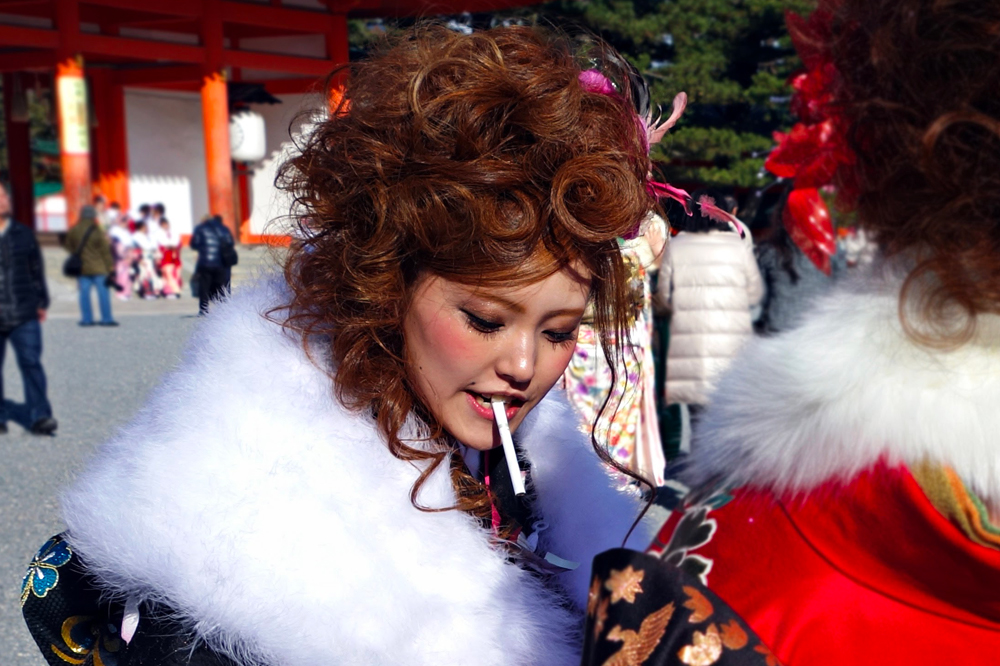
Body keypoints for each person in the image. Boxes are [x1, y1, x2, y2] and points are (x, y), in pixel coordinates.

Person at [22, 25, 691, 665]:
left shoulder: (521, 451)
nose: (524, 367)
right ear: (388, 285)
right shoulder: (240, 519)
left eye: (559, 332)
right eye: (485, 321)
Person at [646, 0, 1000, 663]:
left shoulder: (740, 562)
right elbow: (757, 299)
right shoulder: (760, 252)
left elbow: (683, 304)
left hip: (713, 380)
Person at [656, 194, 763, 411]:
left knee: (694, 416)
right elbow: (755, 294)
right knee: (726, 411)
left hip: (689, 345)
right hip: (731, 343)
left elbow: (663, 297)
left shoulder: (677, 246)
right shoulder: (739, 247)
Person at [0, 183, 57, 436]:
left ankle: (40, 415)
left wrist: (42, 302)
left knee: (31, 362)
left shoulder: (23, 233)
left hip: (24, 312)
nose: (4, 200)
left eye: (5, 195)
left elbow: (36, 270)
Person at [754, 204, 841, 334]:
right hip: (821, 329)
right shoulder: (831, 250)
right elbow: (841, 286)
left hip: (779, 328)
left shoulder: (769, 251)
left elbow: (760, 295)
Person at [63, 205, 117, 327]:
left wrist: (77, 252)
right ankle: (106, 319)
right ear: (93, 216)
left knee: (84, 295)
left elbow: (67, 246)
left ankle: (87, 320)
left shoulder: (74, 230)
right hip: (99, 267)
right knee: (103, 294)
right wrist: (110, 266)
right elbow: (105, 251)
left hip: (82, 268)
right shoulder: (96, 230)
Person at [190, 214, 235, 314]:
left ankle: (203, 309)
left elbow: (194, 244)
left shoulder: (200, 228)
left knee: (204, 286)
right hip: (220, 263)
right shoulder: (223, 229)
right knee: (221, 285)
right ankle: (222, 309)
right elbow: (230, 243)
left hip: (205, 263)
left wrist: (203, 248)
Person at [131, 219, 162, 299]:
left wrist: (157, 256)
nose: (147, 228)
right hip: (142, 257)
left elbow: (154, 246)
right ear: (141, 227)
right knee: (145, 274)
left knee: (152, 274)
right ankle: (146, 292)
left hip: (150, 257)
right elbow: (135, 250)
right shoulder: (135, 237)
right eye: (145, 226)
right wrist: (139, 259)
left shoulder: (148, 236)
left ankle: (153, 291)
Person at [156, 217, 182, 299]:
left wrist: (173, 245)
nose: (165, 226)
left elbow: (177, 241)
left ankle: (174, 290)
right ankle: (170, 292)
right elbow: (162, 243)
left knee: (176, 274)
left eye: (166, 224)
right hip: (165, 257)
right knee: (168, 275)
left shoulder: (173, 232)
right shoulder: (158, 233)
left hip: (175, 256)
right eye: (163, 224)